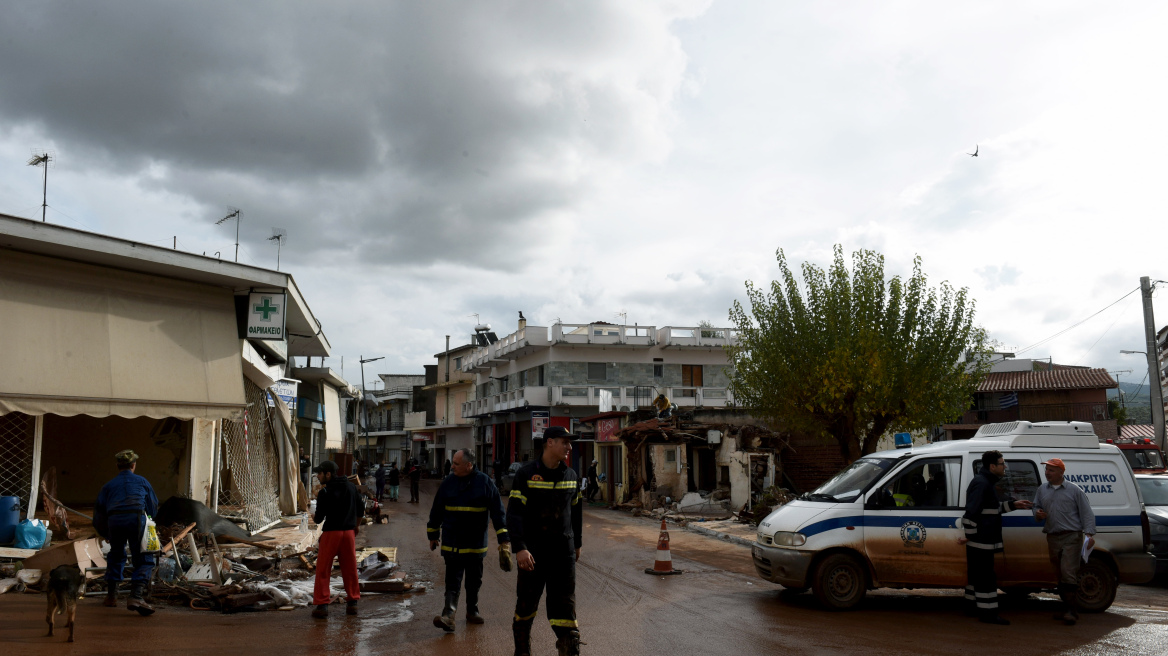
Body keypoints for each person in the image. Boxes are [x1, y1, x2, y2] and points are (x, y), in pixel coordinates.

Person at [507, 426, 583, 656]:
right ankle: (522, 651)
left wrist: (577, 544)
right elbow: (514, 514)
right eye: (565, 442)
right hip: (534, 554)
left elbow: (576, 514)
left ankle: (569, 649)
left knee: (565, 608)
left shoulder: (571, 476)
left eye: (570, 443)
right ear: (549, 442)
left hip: (563, 554)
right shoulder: (526, 475)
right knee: (526, 606)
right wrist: (519, 548)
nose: (569, 447)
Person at [427, 448, 512, 631]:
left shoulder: (485, 483)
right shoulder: (448, 483)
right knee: (452, 580)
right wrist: (433, 535)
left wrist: (504, 540)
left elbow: (498, 512)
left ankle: (472, 611)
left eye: (456, 464)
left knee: (474, 581)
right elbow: (437, 510)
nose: (453, 467)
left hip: (475, 545)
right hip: (452, 543)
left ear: (469, 465)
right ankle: (448, 615)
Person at [958, 450, 1033, 625]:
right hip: (981, 542)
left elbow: (990, 508)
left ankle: (971, 608)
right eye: (1002, 463)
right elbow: (971, 513)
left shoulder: (986, 483)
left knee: (977, 577)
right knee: (986, 578)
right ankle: (988, 614)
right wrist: (970, 537)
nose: (1004, 466)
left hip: (982, 540)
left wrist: (1013, 505)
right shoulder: (982, 484)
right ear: (992, 466)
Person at [94, 450, 159, 615]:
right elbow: (152, 506)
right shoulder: (142, 481)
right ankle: (136, 595)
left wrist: (105, 533)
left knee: (116, 555)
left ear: (117, 466)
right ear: (133, 465)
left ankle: (111, 597)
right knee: (144, 557)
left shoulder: (108, 486)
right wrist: (149, 521)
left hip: (114, 521)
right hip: (136, 519)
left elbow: (99, 514)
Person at [1033, 458, 1096, 625]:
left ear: (1061, 472)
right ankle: (1066, 608)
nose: (1047, 472)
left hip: (1071, 536)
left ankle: (1071, 611)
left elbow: (1087, 513)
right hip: (1052, 536)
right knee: (1059, 573)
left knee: (1068, 571)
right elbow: (1036, 506)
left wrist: (1089, 535)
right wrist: (1037, 513)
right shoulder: (1042, 490)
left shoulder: (1075, 490)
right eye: (1046, 470)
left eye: (1051, 470)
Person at [311, 460, 364, 619]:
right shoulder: (351, 487)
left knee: (323, 569)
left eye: (320, 474)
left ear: (328, 474)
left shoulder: (325, 492)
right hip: (348, 533)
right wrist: (356, 526)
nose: (318, 477)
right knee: (350, 568)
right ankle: (353, 603)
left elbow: (319, 519)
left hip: (331, 534)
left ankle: (322, 605)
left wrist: (313, 515)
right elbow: (360, 510)